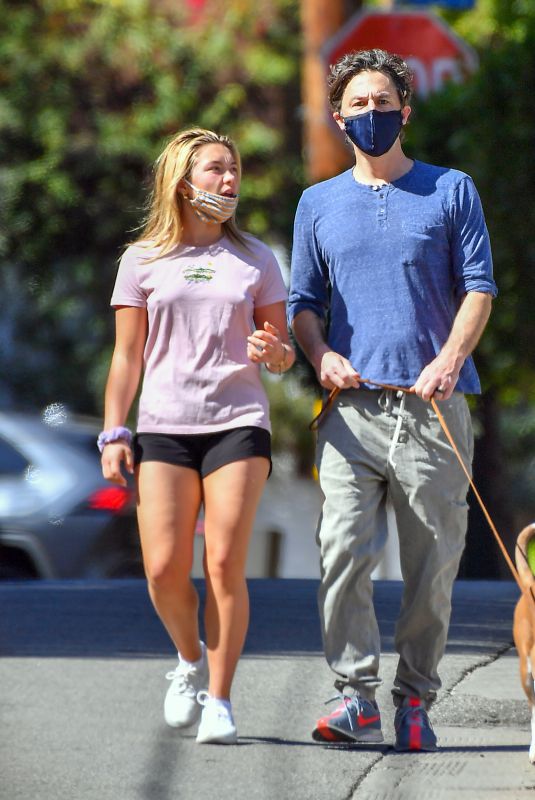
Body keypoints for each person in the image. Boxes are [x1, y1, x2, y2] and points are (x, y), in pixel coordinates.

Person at [288, 49, 496, 751]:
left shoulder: (450, 190)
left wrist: (448, 359)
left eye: (383, 103)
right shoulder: (316, 203)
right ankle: (354, 697)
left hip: (433, 408)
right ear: (336, 116)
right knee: (342, 549)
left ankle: (414, 699)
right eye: (357, 104)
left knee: (431, 563)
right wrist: (320, 355)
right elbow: (302, 303)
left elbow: (478, 286)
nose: (371, 114)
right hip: (350, 413)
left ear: (404, 110)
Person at [99, 127, 294, 745]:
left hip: (238, 423)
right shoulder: (142, 260)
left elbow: (283, 353)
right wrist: (114, 431)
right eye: (216, 169)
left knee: (222, 564)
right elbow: (126, 357)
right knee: (161, 569)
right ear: (183, 181)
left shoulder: (257, 259)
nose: (229, 180)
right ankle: (187, 660)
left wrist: (274, 351)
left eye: (234, 170)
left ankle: (220, 695)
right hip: (163, 427)